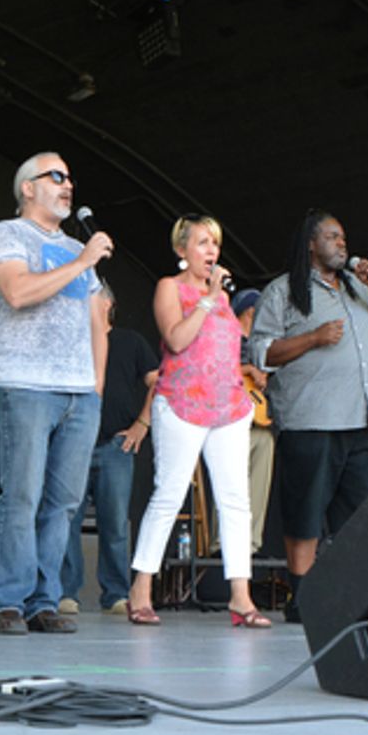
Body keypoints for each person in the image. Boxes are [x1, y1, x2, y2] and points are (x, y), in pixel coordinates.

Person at [0, 151, 113, 635]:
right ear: (27, 188)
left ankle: (43, 600)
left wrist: (95, 386)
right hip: (27, 386)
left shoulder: (82, 250)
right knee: (21, 495)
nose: (67, 184)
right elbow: (17, 293)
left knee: (63, 504)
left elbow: (99, 318)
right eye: (55, 176)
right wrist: (81, 260)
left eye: (70, 177)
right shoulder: (8, 235)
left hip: (80, 393)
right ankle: (7, 602)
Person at [248, 209, 368, 622]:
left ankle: (363, 599)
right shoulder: (284, 291)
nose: (342, 244)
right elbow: (261, 352)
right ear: (311, 244)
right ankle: (302, 598)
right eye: (333, 237)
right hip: (313, 420)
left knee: (363, 518)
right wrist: (314, 338)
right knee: (305, 513)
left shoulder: (360, 289)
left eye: (344, 238)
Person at [126, 214, 267, 628]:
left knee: (235, 501)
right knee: (168, 493)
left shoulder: (223, 298)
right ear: (181, 250)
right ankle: (142, 587)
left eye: (215, 244)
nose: (212, 252)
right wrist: (206, 300)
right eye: (203, 243)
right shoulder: (170, 288)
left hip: (227, 408)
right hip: (182, 403)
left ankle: (241, 597)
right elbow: (177, 339)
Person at [58, 288, 159, 617]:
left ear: (108, 304)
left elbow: (158, 381)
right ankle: (64, 593)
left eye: (93, 295)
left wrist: (143, 423)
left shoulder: (130, 341)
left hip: (117, 444)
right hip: (75, 442)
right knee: (66, 520)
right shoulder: (74, 340)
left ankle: (115, 593)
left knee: (114, 522)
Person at [205, 288, 276, 560]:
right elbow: (209, 371)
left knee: (259, 482)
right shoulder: (224, 337)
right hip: (227, 421)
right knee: (229, 482)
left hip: (258, 422)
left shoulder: (263, 345)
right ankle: (221, 545)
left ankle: (250, 545)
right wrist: (245, 370)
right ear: (251, 311)